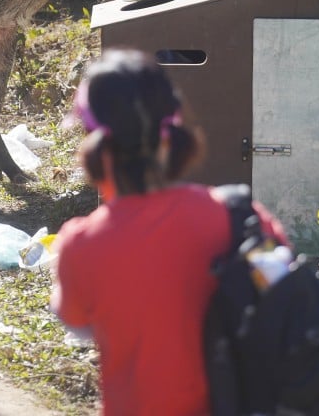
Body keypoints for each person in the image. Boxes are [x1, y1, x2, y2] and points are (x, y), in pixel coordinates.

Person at [51, 48, 289, 415]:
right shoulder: (239, 217)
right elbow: (286, 298)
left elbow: (77, 321)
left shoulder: (80, 245)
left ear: (93, 145)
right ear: (173, 134)